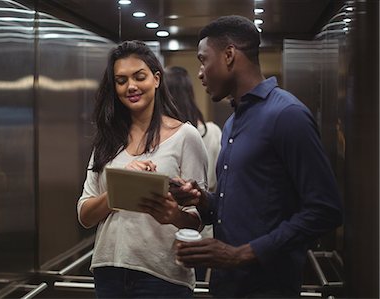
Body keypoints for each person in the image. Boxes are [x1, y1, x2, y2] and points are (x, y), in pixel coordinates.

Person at [171, 16, 344, 298]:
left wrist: (241, 254)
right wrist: (201, 199)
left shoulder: (286, 115)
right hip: (228, 287)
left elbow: (325, 210)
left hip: (268, 289)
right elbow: (243, 208)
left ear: (229, 55)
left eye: (204, 60)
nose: (200, 73)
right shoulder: (232, 122)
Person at [77, 40, 208, 298]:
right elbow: (85, 215)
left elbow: (200, 217)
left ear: (156, 79)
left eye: (139, 77)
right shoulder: (108, 139)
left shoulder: (185, 136)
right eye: (121, 80)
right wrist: (123, 187)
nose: (131, 87)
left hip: (162, 274)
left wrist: (173, 215)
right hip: (109, 270)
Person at [164, 66, 222, 281]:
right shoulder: (213, 132)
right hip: (203, 232)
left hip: (170, 230)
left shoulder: (169, 138)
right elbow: (216, 183)